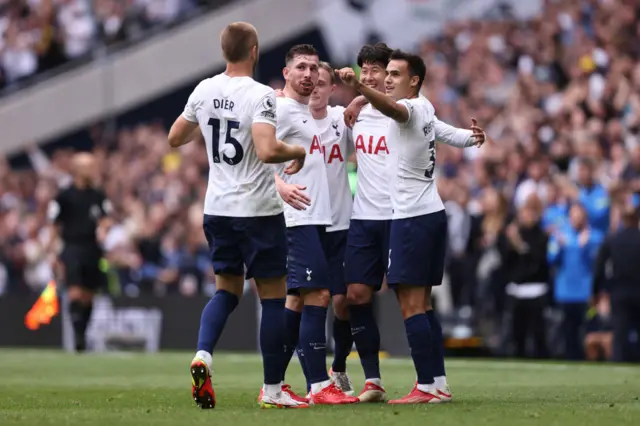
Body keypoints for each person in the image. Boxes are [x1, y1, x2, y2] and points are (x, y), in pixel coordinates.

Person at [167, 22, 307, 410]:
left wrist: (208, 125)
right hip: (258, 210)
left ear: (224, 50)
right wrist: (297, 151)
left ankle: (203, 356)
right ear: (255, 51)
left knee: (226, 290)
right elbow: (265, 150)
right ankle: (274, 390)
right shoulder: (260, 95)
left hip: (217, 209)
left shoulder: (205, 89)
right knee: (274, 298)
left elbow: (175, 138)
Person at [337, 44, 485, 403]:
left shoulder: (409, 108)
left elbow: (393, 108)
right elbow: (447, 133)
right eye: (385, 75)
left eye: (394, 74)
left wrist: (359, 89)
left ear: (414, 80)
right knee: (423, 304)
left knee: (412, 305)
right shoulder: (426, 109)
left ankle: (425, 386)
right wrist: (472, 136)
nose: (387, 80)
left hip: (411, 218)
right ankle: (437, 383)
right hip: (428, 214)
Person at [272, 45, 359, 405]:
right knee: (318, 295)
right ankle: (319, 385)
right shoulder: (279, 108)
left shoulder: (321, 116)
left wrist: (360, 96)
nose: (310, 77)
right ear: (287, 73)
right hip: (299, 216)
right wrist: (277, 184)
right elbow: (250, 150)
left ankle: (274, 384)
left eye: (315, 71)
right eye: (303, 69)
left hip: (322, 217)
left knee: (296, 300)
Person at [47, 152, 113, 353]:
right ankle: (77, 336)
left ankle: (82, 333)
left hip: (92, 248)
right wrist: (52, 252)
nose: (93, 170)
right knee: (75, 292)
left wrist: (103, 229)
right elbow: (54, 224)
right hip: (72, 247)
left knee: (88, 295)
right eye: (89, 166)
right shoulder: (64, 196)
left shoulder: (98, 195)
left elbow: (105, 218)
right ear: (77, 169)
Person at [547, 203, 604, 360]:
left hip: (586, 292)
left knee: (588, 331)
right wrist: (559, 247)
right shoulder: (561, 236)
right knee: (568, 331)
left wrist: (584, 248)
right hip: (565, 291)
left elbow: (599, 263)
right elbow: (550, 259)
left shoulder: (595, 237)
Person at [500, 202, 549, 359]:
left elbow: (536, 260)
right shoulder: (512, 235)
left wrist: (518, 244)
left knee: (537, 334)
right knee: (517, 333)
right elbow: (506, 261)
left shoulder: (541, 235)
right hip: (517, 290)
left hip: (536, 290)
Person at [593, 206, 640, 362]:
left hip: (619, 292)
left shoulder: (613, 239)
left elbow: (599, 267)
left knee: (620, 334)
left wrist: (597, 291)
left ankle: (619, 363)